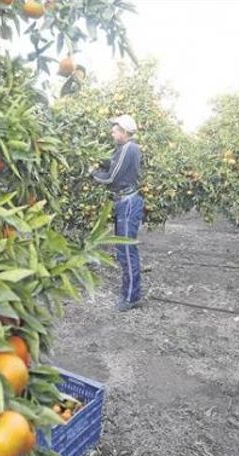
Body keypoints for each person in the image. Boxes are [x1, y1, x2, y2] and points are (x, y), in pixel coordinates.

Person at [92, 114, 144, 312]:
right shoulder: (122, 149)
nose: (111, 133)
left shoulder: (129, 148)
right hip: (124, 202)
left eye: (115, 130)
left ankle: (132, 297)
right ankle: (129, 293)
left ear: (123, 131)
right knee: (123, 250)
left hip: (128, 203)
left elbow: (111, 177)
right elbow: (112, 164)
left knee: (127, 251)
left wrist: (92, 173)